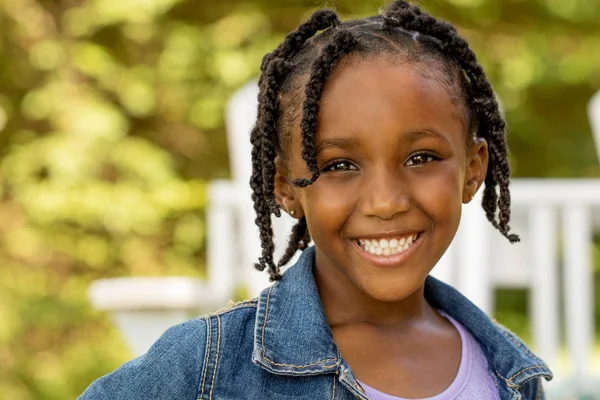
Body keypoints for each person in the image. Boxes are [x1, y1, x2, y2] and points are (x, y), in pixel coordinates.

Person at [79, 1, 553, 399]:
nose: (385, 201)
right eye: (339, 166)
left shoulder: (509, 375)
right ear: (285, 187)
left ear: (473, 171)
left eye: (421, 157)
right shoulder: (209, 364)